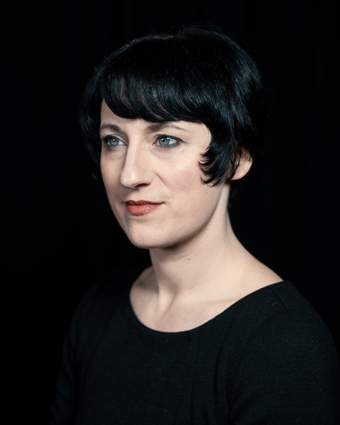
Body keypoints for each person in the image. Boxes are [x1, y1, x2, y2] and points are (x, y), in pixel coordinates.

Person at [49, 25, 340, 424]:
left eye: (165, 139)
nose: (129, 174)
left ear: (237, 157)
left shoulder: (283, 345)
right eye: (113, 140)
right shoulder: (98, 308)